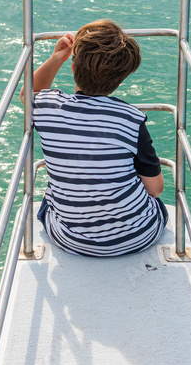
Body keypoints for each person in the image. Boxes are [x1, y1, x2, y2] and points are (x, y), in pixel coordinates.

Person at [22, 19, 167, 257]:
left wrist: (57, 58)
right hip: (138, 237)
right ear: (120, 80)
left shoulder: (48, 107)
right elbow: (155, 189)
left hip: (71, 240)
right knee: (155, 204)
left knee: (49, 200)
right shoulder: (131, 119)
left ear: (73, 67)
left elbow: (28, 93)